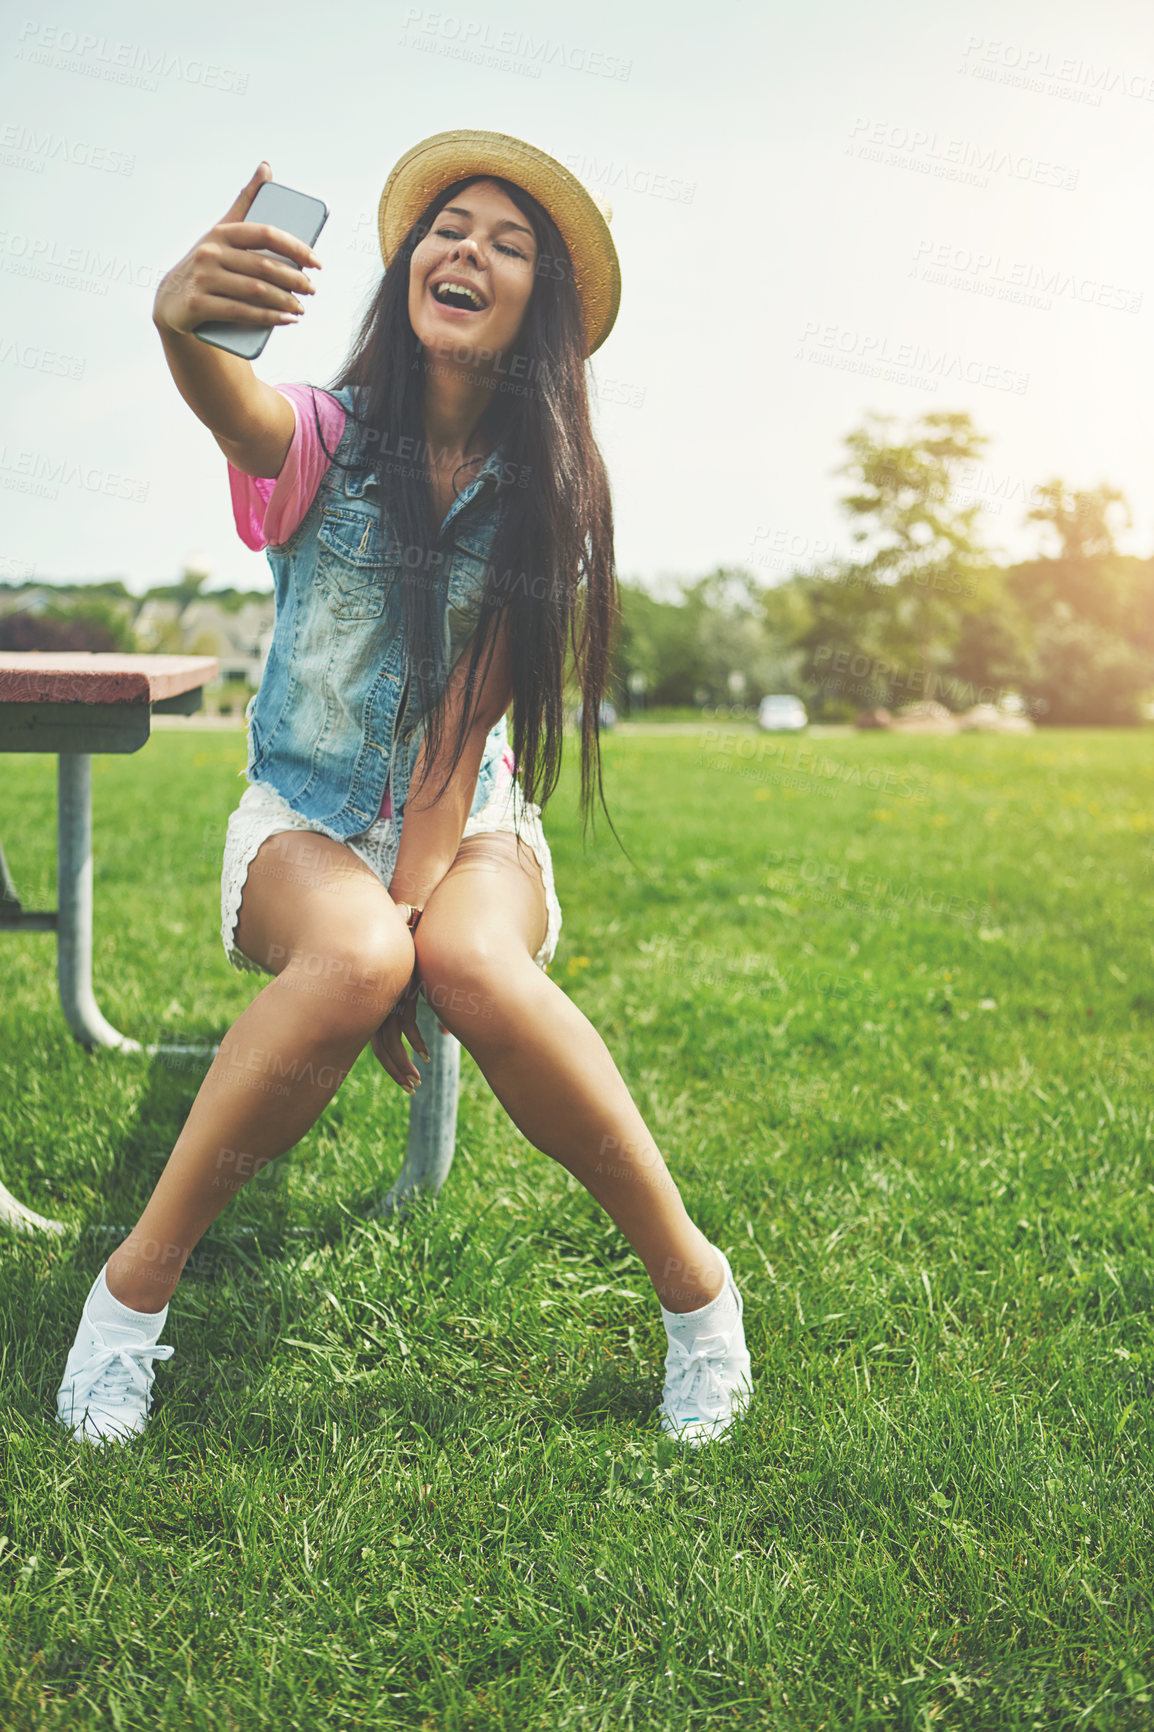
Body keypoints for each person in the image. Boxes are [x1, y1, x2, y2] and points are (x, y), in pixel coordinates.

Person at [55, 131, 753, 1450]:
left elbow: (455, 750)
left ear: (536, 306)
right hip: (299, 824)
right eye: (448, 226)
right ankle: (128, 1303)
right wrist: (179, 324)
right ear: (407, 268)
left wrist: (410, 941)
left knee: (471, 970)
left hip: (469, 817)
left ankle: (697, 1295)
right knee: (359, 953)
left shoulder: (549, 494)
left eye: (506, 241)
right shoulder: (324, 435)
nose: (465, 250)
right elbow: (235, 406)